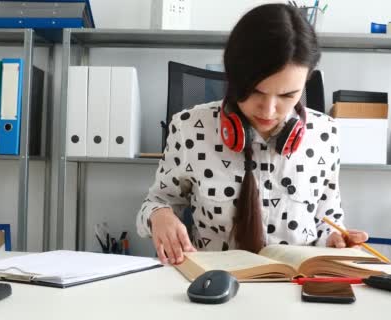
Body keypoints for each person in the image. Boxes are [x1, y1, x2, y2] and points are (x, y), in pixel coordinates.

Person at [136, 3, 368, 265]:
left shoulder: (326, 134)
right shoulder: (188, 127)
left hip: (295, 288)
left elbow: (328, 220)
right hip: (213, 286)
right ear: (234, 76)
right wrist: (160, 215)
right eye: (256, 91)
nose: (269, 110)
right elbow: (156, 201)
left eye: (287, 95)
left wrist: (335, 240)